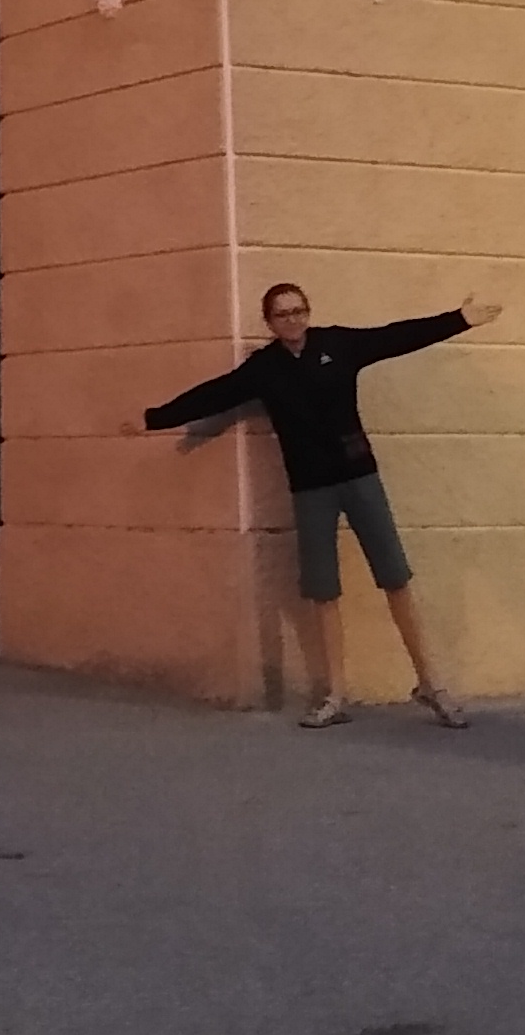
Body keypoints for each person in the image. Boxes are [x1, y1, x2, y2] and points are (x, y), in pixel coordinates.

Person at [126, 279, 502, 728]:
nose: (293, 320)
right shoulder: (264, 368)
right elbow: (215, 393)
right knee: (323, 590)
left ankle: (430, 683)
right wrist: (154, 419)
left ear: (308, 311)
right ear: (269, 322)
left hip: (360, 478)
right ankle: (335, 694)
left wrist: (459, 320)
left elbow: (395, 337)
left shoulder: (337, 344)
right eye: (283, 314)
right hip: (311, 490)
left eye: (299, 311)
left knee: (395, 577)